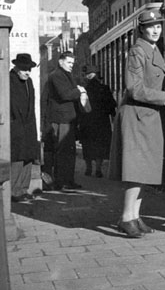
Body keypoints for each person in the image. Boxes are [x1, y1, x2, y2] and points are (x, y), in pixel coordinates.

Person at [108, 8, 165, 238]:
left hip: (148, 115)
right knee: (136, 170)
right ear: (142, 29)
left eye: (158, 26)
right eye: (150, 26)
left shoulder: (153, 50)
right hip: (137, 115)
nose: (155, 30)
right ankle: (126, 217)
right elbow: (133, 88)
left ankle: (134, 216)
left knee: (146, 170)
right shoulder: (138, 51)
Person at [45, 51, 87, 191]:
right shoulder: (56, 75)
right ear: (61, 62)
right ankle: (62, 182)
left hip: (67, 118)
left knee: (69, 151)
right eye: (69, 63)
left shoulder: (64, 75)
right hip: (61, 119)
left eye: (72, 63)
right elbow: (64, 94)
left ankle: (68, 180)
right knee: (63, 151)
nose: (71, 66)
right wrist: (79, 91)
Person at [9, 53, 39, 202]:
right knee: (17, 158)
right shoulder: (9, 80)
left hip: (28, 125)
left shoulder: (29, 81)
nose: (27, 72)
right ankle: (14, 191)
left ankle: (23, 189)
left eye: (29, 69)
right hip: (16, 125)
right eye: (25, 69)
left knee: (28, 157)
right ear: (17, 68)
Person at [79, 65, 117, 179]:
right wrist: (113, 117)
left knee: (87, 145)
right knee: (100, 145)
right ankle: (98, 169)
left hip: (87, 122)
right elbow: (111, 105)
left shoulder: (83, 89)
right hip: (102, 122)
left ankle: (88, 168)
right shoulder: (104, 88)